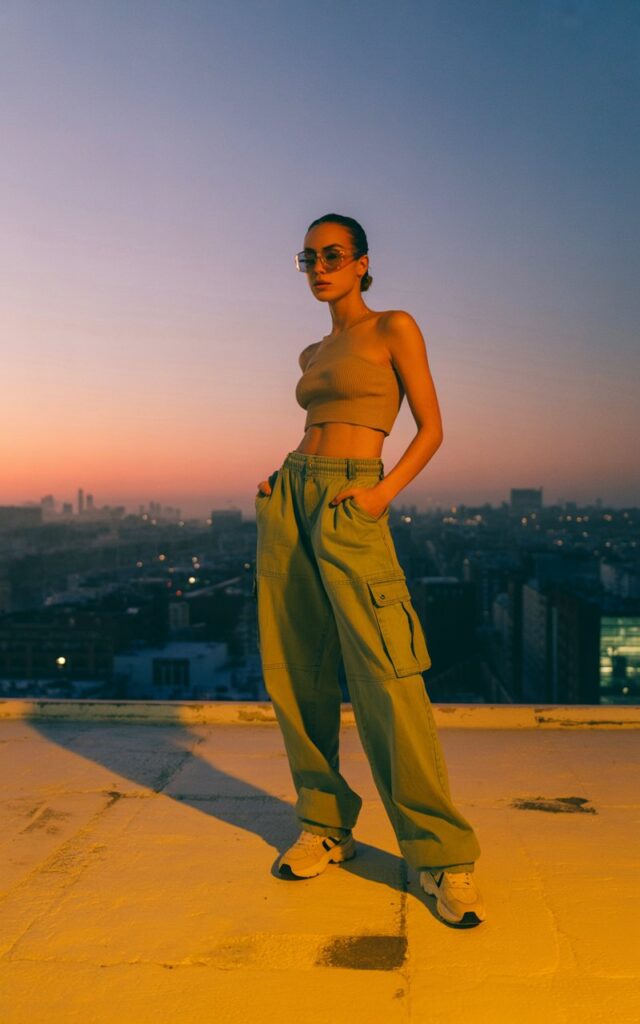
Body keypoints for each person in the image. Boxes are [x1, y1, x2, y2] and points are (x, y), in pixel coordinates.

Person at [253, 213, 486, 927]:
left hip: (354, 497)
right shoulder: (313, 350)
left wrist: (381, 494)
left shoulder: (394, 327)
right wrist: (281, 483)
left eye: (333, 255)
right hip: (292, 495)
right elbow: (314, 428)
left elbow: (432, 427)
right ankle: (325, 826)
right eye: (309, 258)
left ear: (361, 263)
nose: (319, 268)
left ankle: (442, 854)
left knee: (387, 673)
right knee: (296, 671)